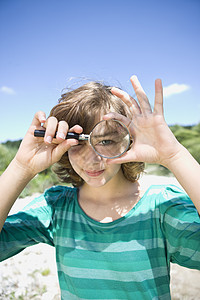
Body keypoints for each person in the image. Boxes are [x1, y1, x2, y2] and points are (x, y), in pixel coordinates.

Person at [0, 75, 200, 299]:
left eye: (105, 141)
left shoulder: (160, 208)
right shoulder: (57, 208)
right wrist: (20, 167)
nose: (92, 159)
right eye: (77, 143)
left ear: (129, 141)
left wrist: (175, 155)